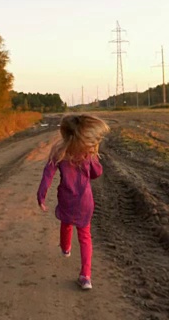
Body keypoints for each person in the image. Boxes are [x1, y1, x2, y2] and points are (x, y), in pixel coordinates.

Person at [37, 114, 110, 290]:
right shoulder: (86, 152)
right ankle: (86, 276)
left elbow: (48, 175)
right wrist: (94, 158)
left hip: (67, 199)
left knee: (66, 223)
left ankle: (66, 248)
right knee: (85, 236)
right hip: (85, 200)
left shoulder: (59, 152)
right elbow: (96, 174)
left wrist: (41, 196)